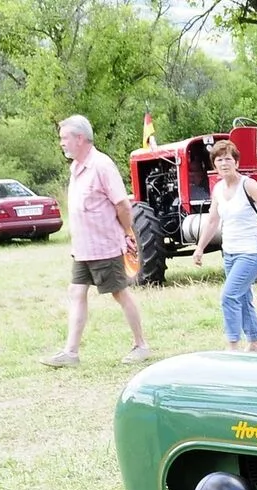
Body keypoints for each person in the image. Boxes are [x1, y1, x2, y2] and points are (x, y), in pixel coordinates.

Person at [43, 115, 149, 367]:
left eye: (65, 138)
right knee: (76, 291)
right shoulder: (76, 167)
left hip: (104, 246)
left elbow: (122, 205)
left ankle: (141, 345)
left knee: (119, 292)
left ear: (80, 138)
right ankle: (71, 353)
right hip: (83, 248)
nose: (61, 143)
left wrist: (127, 232)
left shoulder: (102, 165)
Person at [191, 140, 257, 353]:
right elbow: (213, 220)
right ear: (214, 165)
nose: (224, 163)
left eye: (228, 159)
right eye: (219, 160)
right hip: (229, 253)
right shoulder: (218, 189)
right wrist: (199, 248)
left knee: (228, 296)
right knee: (243, 296)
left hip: (250, 253)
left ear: (236, 162)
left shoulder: (248, 185)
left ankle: (232, 346)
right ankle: (254, 344)